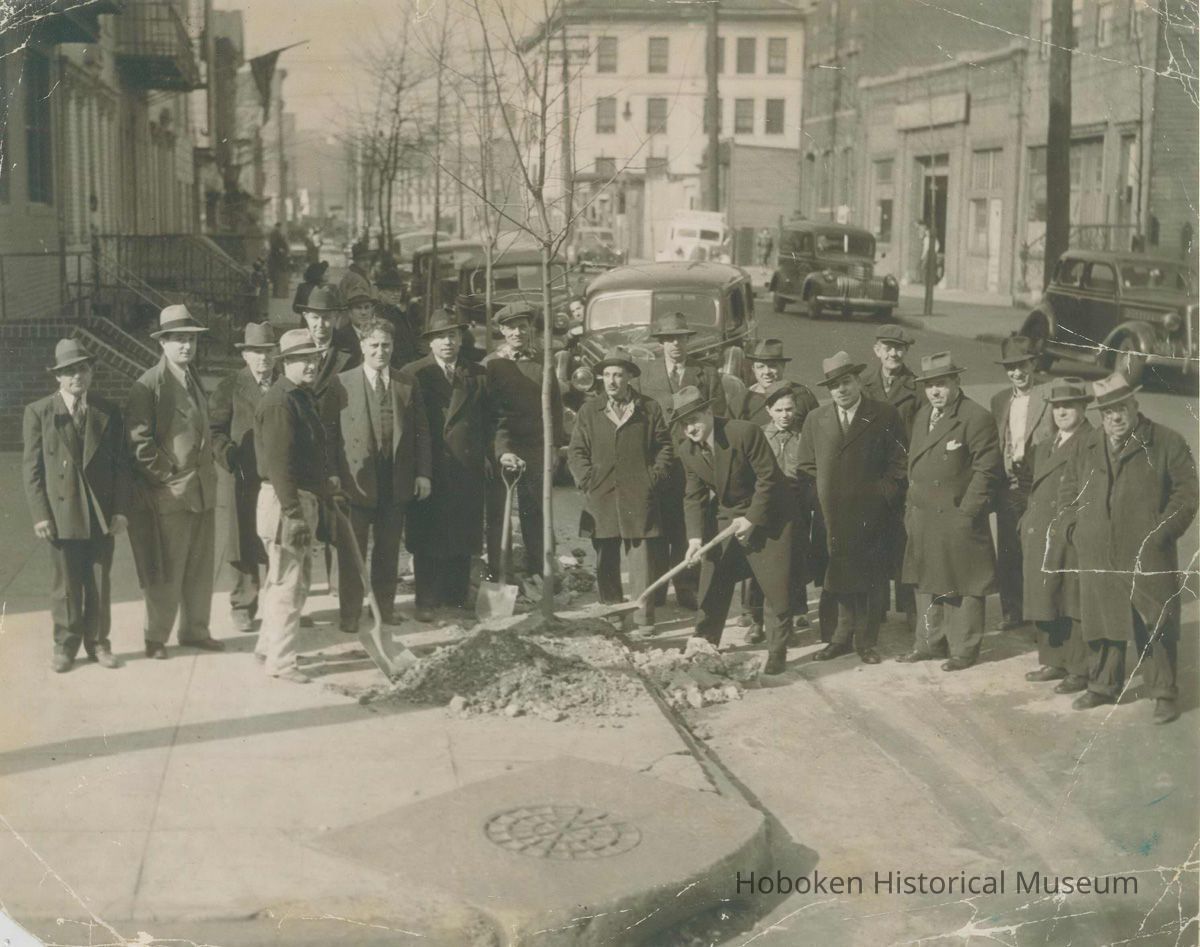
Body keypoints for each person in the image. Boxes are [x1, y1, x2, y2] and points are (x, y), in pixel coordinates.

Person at [1059, 374, 1197, 725]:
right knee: (1102, 619)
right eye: (1107, 412)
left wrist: (1161, 534)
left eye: (1121, 408)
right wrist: (1075, 528)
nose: (1115, 418)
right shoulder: (1086, 444)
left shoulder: (1166, 441)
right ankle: (1103, 684)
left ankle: (1164, 692)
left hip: (1147, 550)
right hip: (1097, 549)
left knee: (1155, 621)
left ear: (1135, 405)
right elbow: (1069, 489)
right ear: (1100, 415)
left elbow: (1187, 494)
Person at [23, 339, 130, 672]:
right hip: (61, 513)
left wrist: (121, 510)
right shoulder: (40, 412)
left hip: (100, 513)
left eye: (82, 369)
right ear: (58, 377)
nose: (76, 377)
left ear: (91, 372)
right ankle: (65, 645)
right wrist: (40, 515)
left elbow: (122, 466)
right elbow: (32, 469)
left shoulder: (107, 410)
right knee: (66, 584)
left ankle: (98, 642)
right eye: (68, 372)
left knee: (99, 580)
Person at [126, 306, 224, 659]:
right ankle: (155, 638)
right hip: (171, 495)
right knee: (166, 570)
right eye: (179, 339)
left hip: (202, 491)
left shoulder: (191, 377)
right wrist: (168, 476)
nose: (186, 346)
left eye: (191, 339)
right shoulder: (149, 385)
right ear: (162, 343)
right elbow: (139, 442)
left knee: (199, 568)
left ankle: (195, 630)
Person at [797, 352, 907, 665]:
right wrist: (817, 503)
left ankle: (866, 641)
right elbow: (805, 467)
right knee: (837, 579)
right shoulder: (816, 419)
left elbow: (899, 461)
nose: (841, 390)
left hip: (872, 515)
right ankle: (840, 638)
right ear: (828, 390)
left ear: (858, 381)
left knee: (871, 580)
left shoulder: (884, 414)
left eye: (846, 382)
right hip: (830, 517)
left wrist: (883, 494)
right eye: (834, 386)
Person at [675, 386, 794, 675]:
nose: (690, 429)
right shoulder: (687, 450)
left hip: (770, 514)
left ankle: (777, 651)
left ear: (708, 412)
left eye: (694, 420)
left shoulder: (744, 433)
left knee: (775, 585)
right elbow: (694, 497)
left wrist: (751, 519)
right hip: (729, 515)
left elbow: (769, 480)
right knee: (713, 574)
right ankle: (705, 642)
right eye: (683, 424)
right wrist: (693, 540)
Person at [325, 319, 432, 631]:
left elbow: (422, 433)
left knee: (387, 551)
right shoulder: (341, 383)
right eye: (374, 345)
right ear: (362, 347)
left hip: (395, 481)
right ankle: (350, 613)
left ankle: (384, 609)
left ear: (393, 346)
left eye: (386, 345)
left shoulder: (406, 383)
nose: (380, 351)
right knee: (352, 551)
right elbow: (329, 435)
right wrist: (332, 475)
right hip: (355, 482)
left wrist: (423, 473)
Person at [899, 352, 1003, 670]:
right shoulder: (922, 415)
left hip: (957, 516)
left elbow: (987, 471)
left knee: (966, 582)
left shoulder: (975, 417)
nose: (935, 392)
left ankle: (963, 649)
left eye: (941, 384)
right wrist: (910, 506)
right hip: (924, 515)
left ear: (956, 382)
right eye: (930, 385)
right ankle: (929, 643)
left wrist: (967, 513)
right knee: (927, 580)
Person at [253, 328, 336, 683]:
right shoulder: (279, 402)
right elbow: (280, 464)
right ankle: (282, 662)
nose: (311, 365)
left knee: (282, 580)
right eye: (303, 359)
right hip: (285, 501)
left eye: (314, 358)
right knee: (290, 585)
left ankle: (266, 647)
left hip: (298, 498)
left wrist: (324, 483)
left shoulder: (299, 396)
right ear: (285, 362)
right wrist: (294, 514)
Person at [568, 357, 673, 633]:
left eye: (618, 375)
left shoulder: (648, 408)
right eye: (607, 375)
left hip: (638, 492)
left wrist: (654, 477)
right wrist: (587, 479)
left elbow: (664, 446)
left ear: (629, 378)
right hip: (601, 492)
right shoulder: (590, 410)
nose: (612, 381)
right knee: (606, 556)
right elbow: (576, 450)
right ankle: (613, 612)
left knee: (641, 559)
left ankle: (643, 617)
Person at [635, 311, 729, 611]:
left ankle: (687, 585)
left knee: (690, 525)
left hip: (696, 461)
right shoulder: (643, 375)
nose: (675, 344)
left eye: (680, 338)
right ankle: (660, 587)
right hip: (659, 462)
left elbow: (721, 418)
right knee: (658, 525)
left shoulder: (708, 374)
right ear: (660, 344)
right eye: (668, 339)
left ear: (689, 341)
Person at [404, 309, 491, 617]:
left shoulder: (477, 374)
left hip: (466, 469)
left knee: (462, 532)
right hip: (430, 468)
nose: (447, 342)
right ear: (430, 342)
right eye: (441, 337)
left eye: (453, 336)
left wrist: (490, 457)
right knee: (427, 534)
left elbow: (490, 421)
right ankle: (426, 600)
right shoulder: (414, 374)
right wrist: (416, 469)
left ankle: (455, 596)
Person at [482, 302, 565, 580]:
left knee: (535, 510)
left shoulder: (543, 361)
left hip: (535, 446)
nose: (517, 332)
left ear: (530, 328)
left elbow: (554, 405)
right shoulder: (492, 364)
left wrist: (553, 446)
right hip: (503, 446)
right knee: (499, 513)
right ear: (502, 331)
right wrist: (500, 450)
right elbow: (489, 413)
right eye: (511, 327)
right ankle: (500, 572)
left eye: (522, 326)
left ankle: (540, 569)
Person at [1020, 378, 1092, 694]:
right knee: (1045, 595)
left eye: (1069, 406)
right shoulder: (1046, 444)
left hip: (1070, 532)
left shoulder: (1091, 442)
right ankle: (1053, 660)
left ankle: (1079, 668)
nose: (1061, 412)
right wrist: (1025, 519)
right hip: (1041, 532)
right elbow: (1029, 486)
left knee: (1071, 599)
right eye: (1057, 407)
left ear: (1083, 407)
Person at [209, 322, 277, 633]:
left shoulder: (284, 385)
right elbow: (214, 431)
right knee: (242, 539)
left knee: (277, 540)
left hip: (276, 477)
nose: (263, 358)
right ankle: (242, 604)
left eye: (268, 352)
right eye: (256, 352)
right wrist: (228, 455)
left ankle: (280, 604)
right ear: (246, 355)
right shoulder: (230, 387)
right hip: (241, 475)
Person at [990, 335, 1054, 630]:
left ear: (1033, 363)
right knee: (1009, 550)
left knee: (1038, 548)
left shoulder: (1050, 395)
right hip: (1010, 484)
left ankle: (1039, 612)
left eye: (1022, 365)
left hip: (1040, 484)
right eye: (1010, 368)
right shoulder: (1000, 400)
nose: (1017, 373)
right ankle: (1012, 610)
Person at [859, 324, 920, 636]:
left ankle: (910, 607)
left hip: (906, 475)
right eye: (887, 346)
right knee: (874, 541)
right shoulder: (863, 384)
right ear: (877, 350)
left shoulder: (917, 387)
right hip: (873, 476)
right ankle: (876, 606)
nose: (894, 353)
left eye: (900, 347)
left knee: (906, 542)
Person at [752, 382, 815, 646]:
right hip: (766, 507)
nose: (785, 415)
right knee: (761, 568)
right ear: (769, 411)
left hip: (797, 506)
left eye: (789, 409)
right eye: (779, 410)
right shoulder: (759, 437)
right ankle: (756, 621)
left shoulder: (804, 436)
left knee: (793, 564)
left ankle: (789, 621)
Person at [732, 338, 819, 427]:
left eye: (772, 365)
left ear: (783, 366)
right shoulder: (741, 401)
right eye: (760, 366)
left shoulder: (803, 395)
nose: (766, 372)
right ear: (753, 369)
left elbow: (817, 429)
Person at [268, 222, 290, 299]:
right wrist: (281, 250)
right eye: (279, 227)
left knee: (277, 276)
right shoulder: (275, 233)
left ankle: (277, 293)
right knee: (278, 275)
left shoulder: (276, 233)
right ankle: (278, 293)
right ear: (278, 227)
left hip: (277, 257)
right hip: (277, 258)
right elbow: (275, 245)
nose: (280, 229)